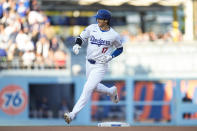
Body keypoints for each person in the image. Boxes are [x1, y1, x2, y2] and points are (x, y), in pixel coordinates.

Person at [64, 9, 123, 124]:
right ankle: (111, 91)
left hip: (100, 65)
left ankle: (72, 114)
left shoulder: (114, 35)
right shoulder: (92, 28)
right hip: (88, 63)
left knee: (87, 88)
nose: (97, 19)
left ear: (106, 20)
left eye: (100, 18)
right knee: (94, 87)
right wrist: (77, 45)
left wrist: (110, 57)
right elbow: (81, 37)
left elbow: (120, 48)